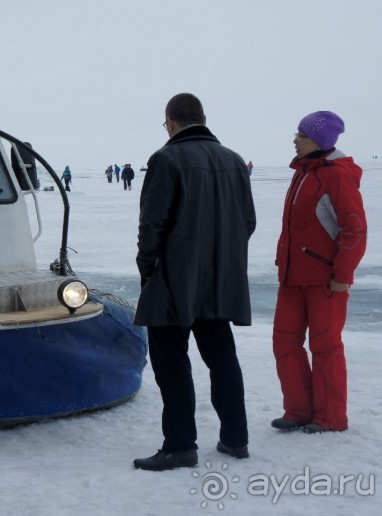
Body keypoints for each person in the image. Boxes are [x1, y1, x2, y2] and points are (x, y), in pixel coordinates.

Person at [133, 93, 255, 471]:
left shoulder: (166, 159)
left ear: (170, 122)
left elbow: (152, 223)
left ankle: (180, 445)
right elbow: (247, 222)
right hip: (220, 278)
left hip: (172, 279)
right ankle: (236, 438)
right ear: (203, 118)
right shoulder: (234, 161)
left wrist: (147, 267)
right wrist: (223, 260)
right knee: (222, 358)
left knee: (171, 363)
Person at [272, 111, 366, 434]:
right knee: (284, 341)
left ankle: (330, 417)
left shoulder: (336, 176)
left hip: (326, 280)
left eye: (301, 135)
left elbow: (354, 229)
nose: (295, 140)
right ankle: (298, 410)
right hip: (292, 276)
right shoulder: (303, 172)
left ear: (320, 140)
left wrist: (343, 274)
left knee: (325, 346)